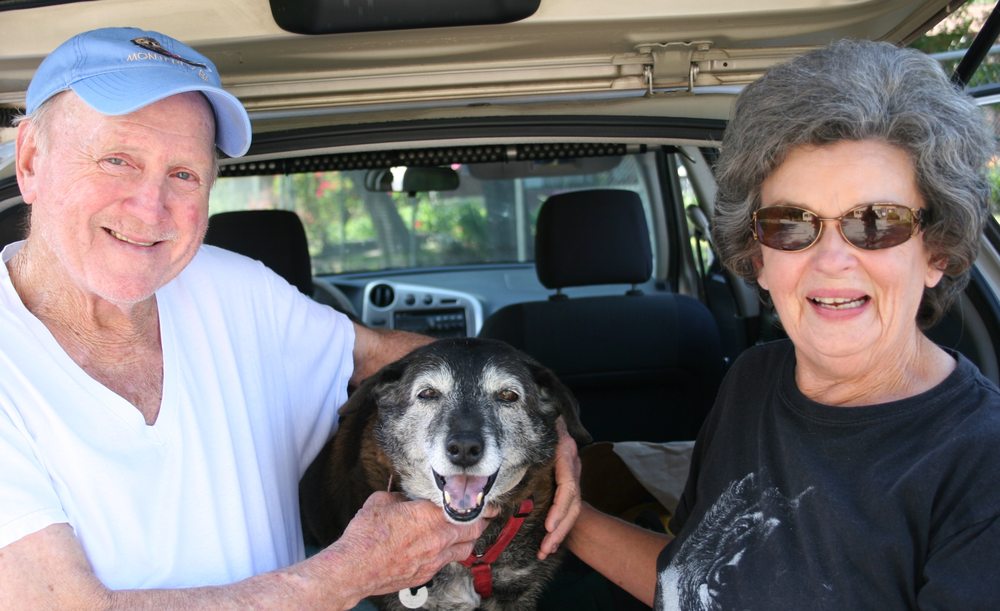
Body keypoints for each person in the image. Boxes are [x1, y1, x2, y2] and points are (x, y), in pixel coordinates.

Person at [0, 27, 581, 608]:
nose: (151, 208)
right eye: (117, 160)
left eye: (184, 174)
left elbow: (385, 356)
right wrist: (353, 573)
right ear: (29, 160)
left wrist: (540, 428)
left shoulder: (230, 287)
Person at [565, 39, 1000, 609]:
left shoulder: (982, 466)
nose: (831, 260)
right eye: (791, 224)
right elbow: (692, 583)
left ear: (936, 251)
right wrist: (557, 506)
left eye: (875, 222)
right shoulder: (755, 379)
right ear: (758, 258)